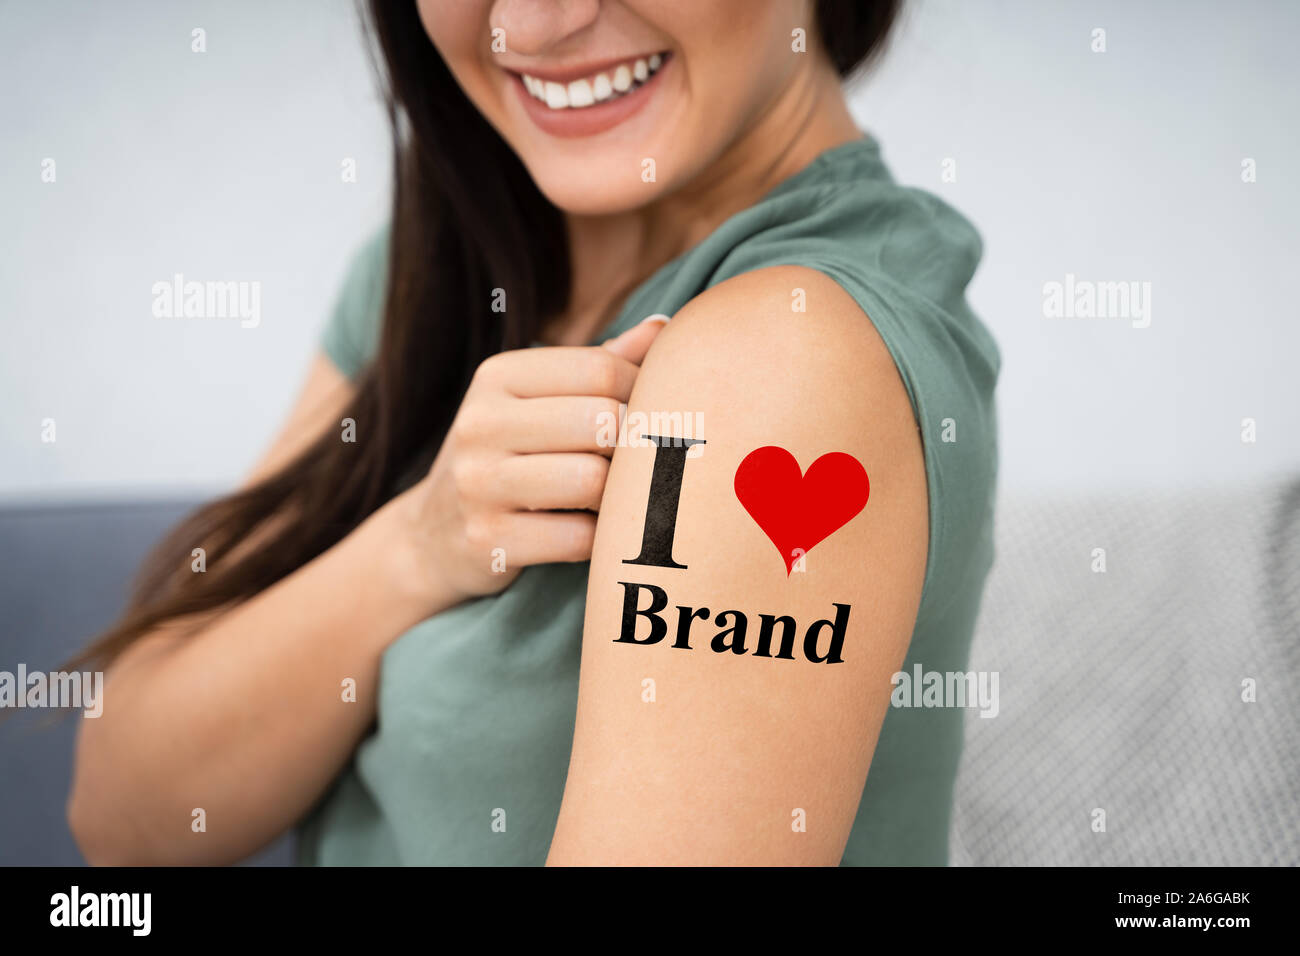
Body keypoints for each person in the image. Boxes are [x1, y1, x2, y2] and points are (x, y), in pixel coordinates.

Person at [67, 0, 1000, 866]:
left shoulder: (783, 356)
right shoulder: (433, 265)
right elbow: (119, 811)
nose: (531, 23)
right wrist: (420, 546)